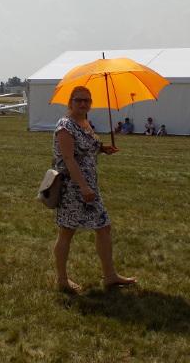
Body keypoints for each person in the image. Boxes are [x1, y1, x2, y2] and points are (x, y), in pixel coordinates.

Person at [52, 86, 136, 292]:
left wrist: (103, 148)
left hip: (90, 188)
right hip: (73, 189)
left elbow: (87, 148)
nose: (83, 103)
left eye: (87, 100)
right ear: (70, 102)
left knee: (103, 227)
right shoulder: (65, 126)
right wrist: (83, 187)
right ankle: (62, 279)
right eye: (78, 100)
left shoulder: (85, 123)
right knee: (66, 232)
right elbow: (69, 159)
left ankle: (110, 276)